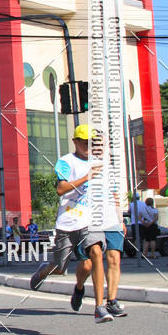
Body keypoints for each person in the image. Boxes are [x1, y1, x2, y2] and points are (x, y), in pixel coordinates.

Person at [30, 124, 112, 323]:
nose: (87, 146)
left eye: (90, 143)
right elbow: (61, 189)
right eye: (83, 142)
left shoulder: (100, 162)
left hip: (90, 221)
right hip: (67, 222)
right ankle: (44, 271)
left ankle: (99, 307)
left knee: (95, 254)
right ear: (75, 142)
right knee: (60, 267)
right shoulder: (66, 162)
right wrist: (86, 177)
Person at [69, 134, 127, 318]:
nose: (98, 148)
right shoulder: (79, 165)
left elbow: (114, 194)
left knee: (114, 258)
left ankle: (111, 301)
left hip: (111, 219)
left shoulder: (109, 168)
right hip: (89, 220)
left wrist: (120, 219)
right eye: (94, 144)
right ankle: (79, 288)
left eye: (102, 145)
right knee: (87, 265)